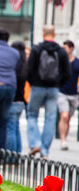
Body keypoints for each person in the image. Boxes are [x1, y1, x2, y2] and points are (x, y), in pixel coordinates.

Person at [26, 25, 71, 158]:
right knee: (50, 118)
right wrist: (58, 84)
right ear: (55, 34)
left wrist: (33, 82)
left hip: (38, 86)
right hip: (53, 88)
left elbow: (29, 70)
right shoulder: (61, 51)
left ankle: (35, 143)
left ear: (43, 33)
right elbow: (67, 72)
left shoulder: (37, 49)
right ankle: (45, 150)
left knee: (32, 114)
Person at [6, 41, 28, 154]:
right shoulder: (25, 64)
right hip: (21, 100)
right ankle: (17, 154)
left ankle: (10, 156)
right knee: (16, 127)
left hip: (12, 99)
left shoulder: (13, 65)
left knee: (10, 128)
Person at [57, 40, 79, 151]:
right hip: (62, 93)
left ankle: (64, 137)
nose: (63, 50)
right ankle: (62, 141)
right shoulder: (60, 62)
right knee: (64, 116)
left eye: (65, 48)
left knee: (68, 119)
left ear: (71, 48)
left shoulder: (77, 63)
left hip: (74, 94)